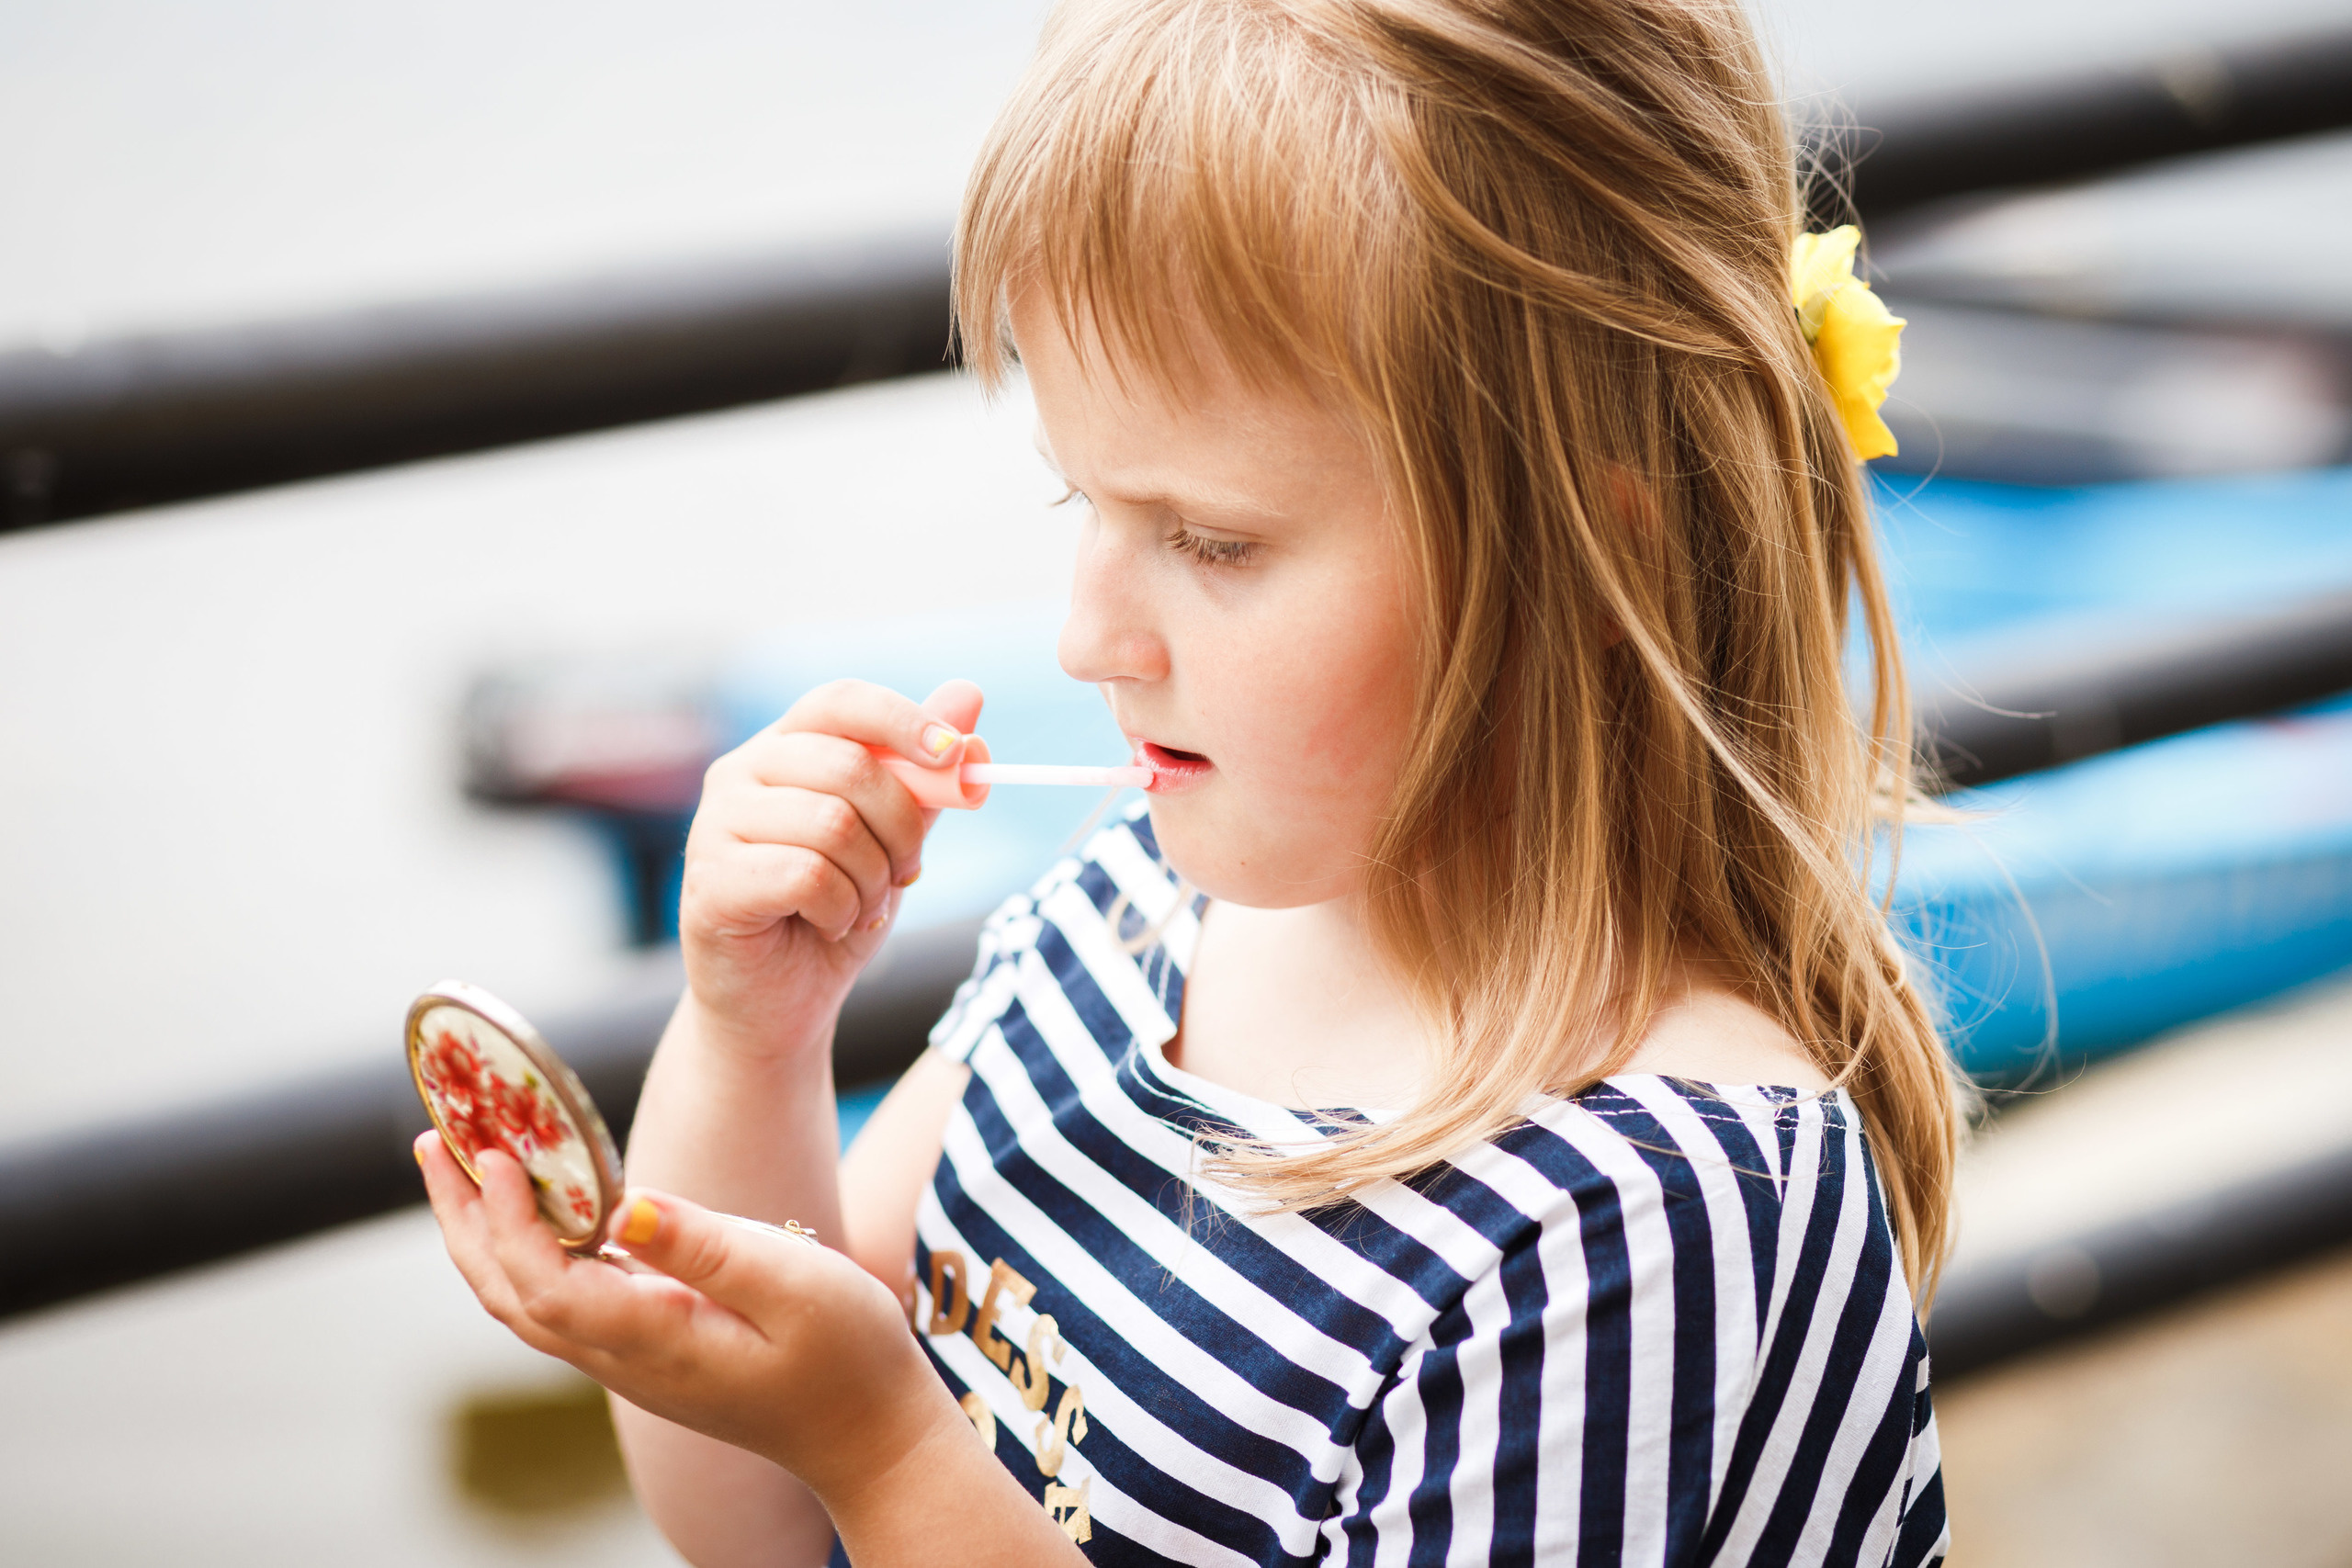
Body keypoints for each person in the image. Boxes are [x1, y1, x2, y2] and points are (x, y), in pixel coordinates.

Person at [418, 0, 1962, 1562]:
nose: (1088, 638)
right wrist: (754, 1039)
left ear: (1585, 552)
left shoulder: (1654, 1216)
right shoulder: (1131, 913)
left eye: (1212, 542)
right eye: (1082, 502)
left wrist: (881, 1450)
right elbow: (748, 1524)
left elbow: (845, 1467)